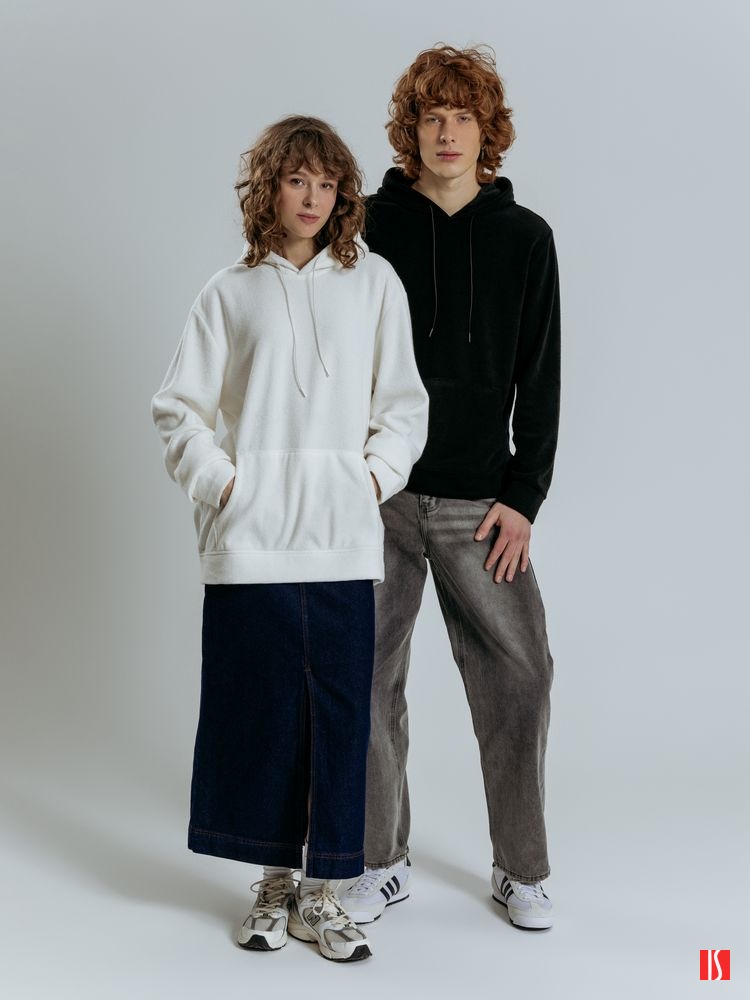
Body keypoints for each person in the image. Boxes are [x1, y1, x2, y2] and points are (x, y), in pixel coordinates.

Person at [151, 115, 429, 962]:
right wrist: (226, 486)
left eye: (327, 182)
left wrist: (369, 480)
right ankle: (275, 885)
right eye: (296, 179)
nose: (312, 197)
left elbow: (403, 405)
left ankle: (326, 895)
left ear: (344, 192)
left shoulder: (375, 282)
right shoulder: (228, 291)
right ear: (268, 187)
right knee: (262, 717)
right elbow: (178, 410)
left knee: (342, 721)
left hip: (341, 538)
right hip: (251, 543)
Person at [340, 44, 560, 930]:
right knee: (362, 677)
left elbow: (540, 377)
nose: (447, 133)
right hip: (380, 497)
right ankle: (378, 860)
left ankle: (523, 871)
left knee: (523, 677)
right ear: (411, 129)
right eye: (432, 117)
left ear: (486, 130)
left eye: (463, 117)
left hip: (481, 506)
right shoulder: (367, 228)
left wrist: (524, 496)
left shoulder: (526, 239)